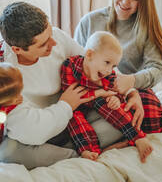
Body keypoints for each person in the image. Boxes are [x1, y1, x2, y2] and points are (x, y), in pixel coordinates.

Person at [0, 2, 118, 169]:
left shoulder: (55, 38)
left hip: (73, 116)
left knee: (123, 113)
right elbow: (31, 132)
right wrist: (66, 105)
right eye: (43, 44)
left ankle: (82, 143)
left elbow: (93, 63)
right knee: (9, 151)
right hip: (38, 128)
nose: (53, 43)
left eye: (51, 34)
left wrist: (126, 89)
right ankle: (76, 153)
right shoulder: (7, 77)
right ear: (17, 49)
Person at [74, 0, 162, 142]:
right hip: (93, 90)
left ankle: (113, 137)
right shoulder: (90, 21)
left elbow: (157, 70)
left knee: (153, 116)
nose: (125, 2)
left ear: (143, 2)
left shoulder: (146, 28)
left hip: (130, 91)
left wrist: (131, 83)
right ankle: (105, 138)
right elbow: (75, 61)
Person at [61, 31, 152, 162]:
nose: (109, 70)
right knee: (72, 115)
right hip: (77, 104)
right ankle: (89, 150)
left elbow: (115, 92)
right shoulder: (70, 66)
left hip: (96, 106)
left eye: (114, 66)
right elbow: (71, 95)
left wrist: (115, 99)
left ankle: (137, 137)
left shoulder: (108, 75)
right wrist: (98, 92)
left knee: (106, 102)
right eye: (107, 62)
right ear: (90, 55)